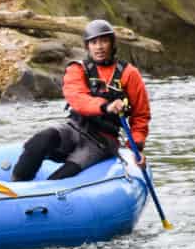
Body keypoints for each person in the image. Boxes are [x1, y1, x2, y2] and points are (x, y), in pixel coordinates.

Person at [11, 19, 151, 182]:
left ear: (112, 44)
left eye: (104, 41)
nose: (99, 47)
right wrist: (105, 106)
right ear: (87, 46)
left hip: (102, 141)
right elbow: (78, 99)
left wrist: (135, 147)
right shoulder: (77, 69)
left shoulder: (129, 74)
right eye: (94, 42)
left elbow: (141, 116)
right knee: (38, 142)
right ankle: (17, 187)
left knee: (61, 178)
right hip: (74, 128)